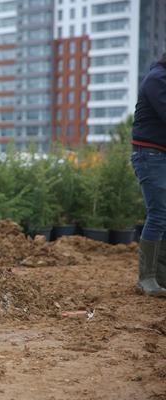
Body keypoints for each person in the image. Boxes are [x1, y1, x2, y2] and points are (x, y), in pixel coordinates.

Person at [131, 53, 166, 297]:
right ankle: (147, 279)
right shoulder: (157, 80)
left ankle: (160, 277)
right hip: (150, 155)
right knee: (159, 213)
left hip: (159, 154)